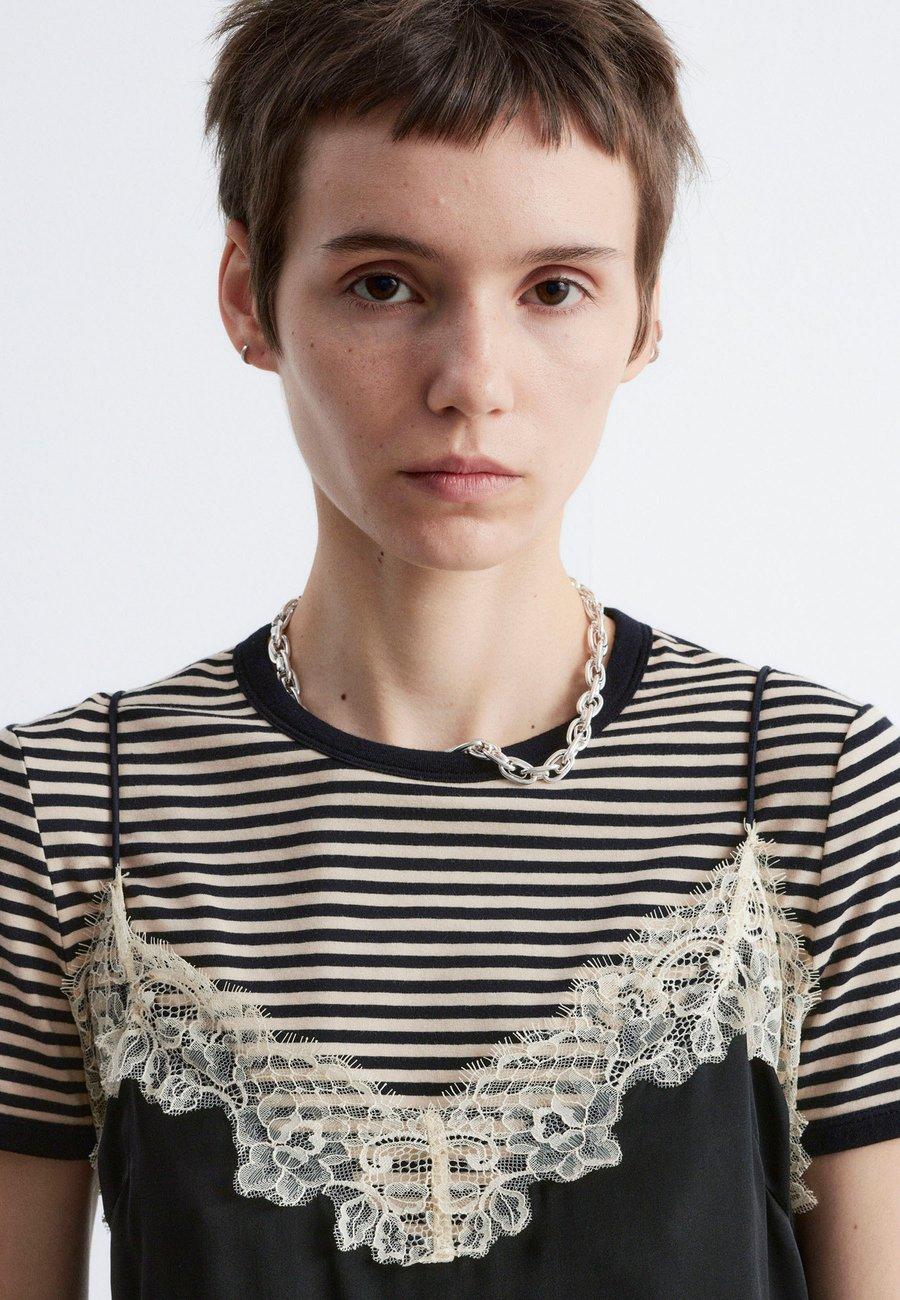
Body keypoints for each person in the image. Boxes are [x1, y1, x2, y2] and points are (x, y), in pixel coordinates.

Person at [1, 1, 898, 1296]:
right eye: (384, 283)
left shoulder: (811, 789)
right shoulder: (72, 807)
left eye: (554, 289)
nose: (473, 379)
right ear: (249, 298)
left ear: (644, 317)